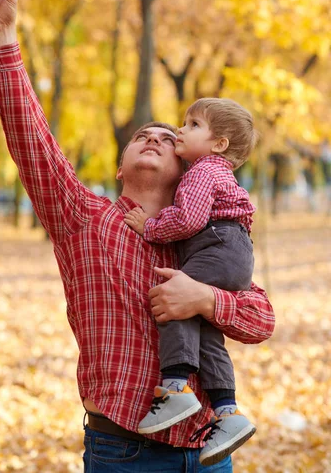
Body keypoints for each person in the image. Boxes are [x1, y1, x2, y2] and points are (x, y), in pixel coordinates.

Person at [0, 0, 275, 473]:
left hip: (207, 454)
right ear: (120, 166)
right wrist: (3, 36)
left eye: (168, 138)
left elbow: (262, 318)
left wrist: (204, 298)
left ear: (189, 169)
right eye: (143, 136)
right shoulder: (84, 217)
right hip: (123, 453)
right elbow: (32, 142)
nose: (156, 138)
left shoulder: (206, 236)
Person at [124, 98, 258, 466]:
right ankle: (228, 413)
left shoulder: (202, 171)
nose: (181, 130)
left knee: (175, 298)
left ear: (219, 144)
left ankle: (175, 386)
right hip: (233, 250)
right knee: (208, 335)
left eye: (192, 125)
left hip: (217, 244)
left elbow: (188, 220)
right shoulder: (218, 172)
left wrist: (150, 227)